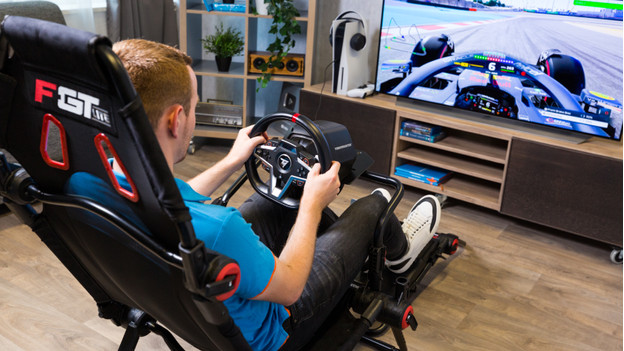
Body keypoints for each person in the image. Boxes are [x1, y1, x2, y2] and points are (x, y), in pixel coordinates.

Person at [72, 39, 442, 351]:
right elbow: (292, 288)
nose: (196, 117)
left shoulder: (85, 186)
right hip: (275, 332)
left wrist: (232, 161)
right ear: (176, 120)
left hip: (185, 311)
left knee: (273, 200)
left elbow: (174, 200)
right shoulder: (220, 229)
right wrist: (312, 205)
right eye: (197, 107)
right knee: (371, 205)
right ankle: (401, 258)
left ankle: (341, 248)